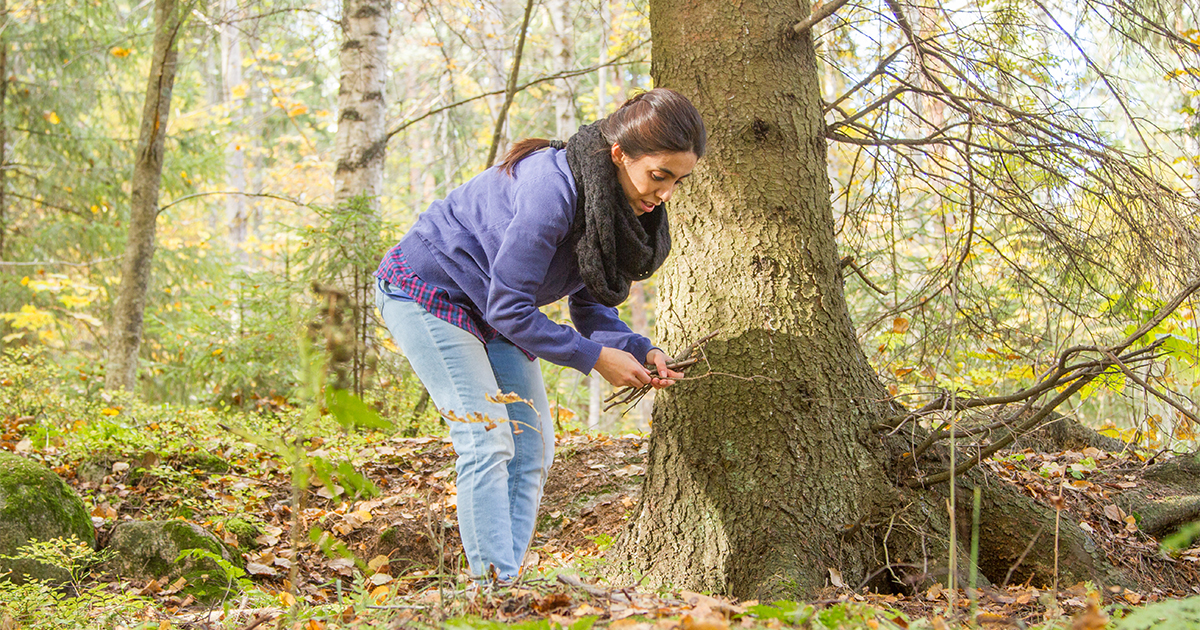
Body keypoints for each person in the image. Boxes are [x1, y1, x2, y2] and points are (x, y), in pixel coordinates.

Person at [374, 88, 706, 582]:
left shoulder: (617, 205)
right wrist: (593, 358)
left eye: (679, 181)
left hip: (497, 306)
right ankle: (494, 594)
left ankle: (503, 582)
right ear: (620, 154)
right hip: (429, 290)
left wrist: (638, 347)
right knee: (486, 439)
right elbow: (509, 306)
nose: (665, 195)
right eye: (659, 176)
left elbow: (589, 300)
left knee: (531, 448)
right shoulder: (552, 191)